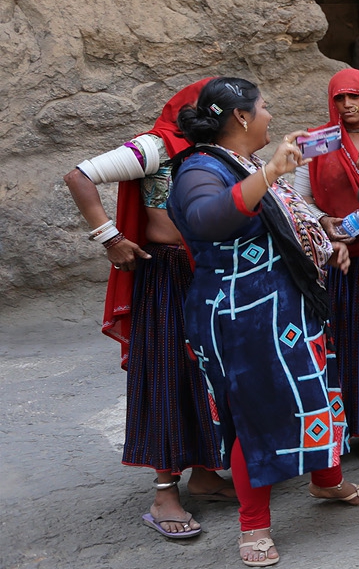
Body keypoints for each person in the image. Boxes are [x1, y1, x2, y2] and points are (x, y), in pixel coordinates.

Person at [168, 77, 359, 568]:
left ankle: (327, 483)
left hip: (286, 307)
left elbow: (288, 222)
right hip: (240, 316)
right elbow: (204, 220)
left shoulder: (246, 167)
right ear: (241, 116)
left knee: (315, 393)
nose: (269, 115)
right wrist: (269, 173)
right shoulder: (200, 169)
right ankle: (254, 526)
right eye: (263, 107)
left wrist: (329, 238)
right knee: (255, 413)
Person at [63, 79, 235, 540]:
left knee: (206, 374)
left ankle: (204, 474)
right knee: (166, 374)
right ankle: (164, 495)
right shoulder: (155, 146)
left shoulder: (214, 148)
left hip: (205, 271)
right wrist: (110, 237)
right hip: (167, 275)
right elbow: (79, 175)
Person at [292, 69, 359, 461]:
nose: (348, 105)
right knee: (348, 342)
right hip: (341, 260)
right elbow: (296, 200)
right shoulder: (317, 142)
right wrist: (323, 222)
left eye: (355, 96)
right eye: (340, 98)